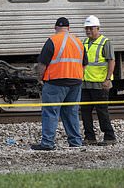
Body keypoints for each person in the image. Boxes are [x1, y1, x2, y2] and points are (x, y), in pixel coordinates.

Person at [31, 17, 87, 150]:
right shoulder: (78, 42)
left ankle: (48, 143)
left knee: (50, 112)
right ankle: (75, 142)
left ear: (55, 28)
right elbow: (84, 64)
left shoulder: (52, 40)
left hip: (55, 82)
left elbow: (42, 64)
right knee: (71, 112)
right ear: (69, 28)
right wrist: (78, 76)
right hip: (75, 82)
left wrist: (40, 78)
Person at [80, 15, 116, 146]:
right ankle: (90, 137)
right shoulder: (84, 42)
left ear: (98, 28)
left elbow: (111, 61)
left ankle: (109, 136)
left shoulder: (105, 42)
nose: (88, 30)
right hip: (85, 83)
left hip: (100, 83)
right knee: (85, 111)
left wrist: (107, 79)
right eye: (86, 28)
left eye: (91, 28)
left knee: (102, 111)